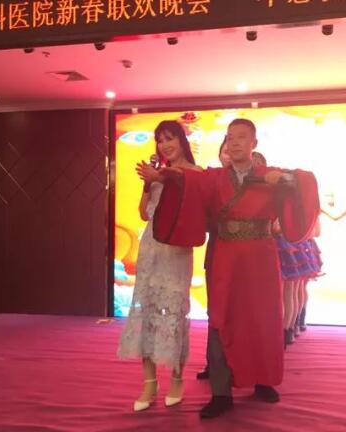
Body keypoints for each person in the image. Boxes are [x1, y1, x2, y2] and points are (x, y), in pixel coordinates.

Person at [137, 118, 319, 419]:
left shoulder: (268, 175)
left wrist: (284, 179)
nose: (234, 142)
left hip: (261, 257)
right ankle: (221, 392)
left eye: (241, 137)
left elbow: (302, 181)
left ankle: (264, 380)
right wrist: (163, 175)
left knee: (263, 316)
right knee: (220, 318)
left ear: (254, 143)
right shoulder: (214, 177)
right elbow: (187, 179)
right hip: (224, 254)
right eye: (230, 137)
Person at [117, 120, 201, 412]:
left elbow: (190, 201)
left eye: (170, 138)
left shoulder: (194, 174)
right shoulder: (156, 174)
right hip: (151, 248)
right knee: (148, 312)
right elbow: (143, 214)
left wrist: (162, 178)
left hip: (176, 251)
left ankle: (177, 379)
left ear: (182, 141)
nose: (165, 145)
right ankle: (149, 383)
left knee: (174, 313)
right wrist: (148, 182)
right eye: (160, 140)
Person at [197, 138, 232, 381]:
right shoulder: (211, 182)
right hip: (217, 251)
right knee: (215, 312)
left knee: (245, 312)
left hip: (248, 258)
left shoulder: (254, 180)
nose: (229, 153)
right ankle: (215, 365)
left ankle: (245, 368)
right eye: (225, 149)